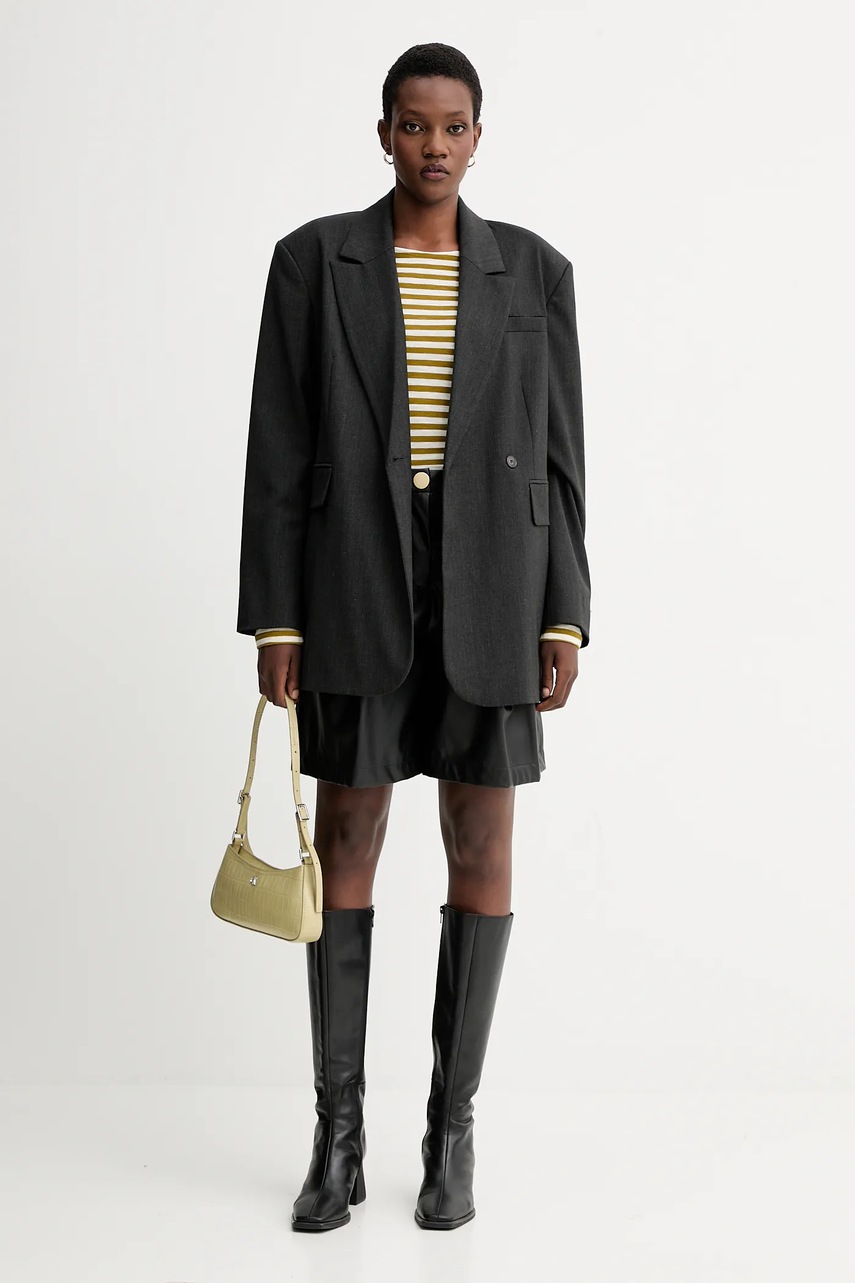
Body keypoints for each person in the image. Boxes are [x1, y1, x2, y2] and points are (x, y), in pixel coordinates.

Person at [236, 42, 591, 1232]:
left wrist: (565, 607)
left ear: (479, 137)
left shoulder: (533, 271)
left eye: (453, 126)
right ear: (382, 131)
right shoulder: (313, 260)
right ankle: (336, 1136)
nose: (433, 145)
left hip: (496, 578)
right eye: (412, 124)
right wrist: (277, 612)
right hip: (355, 573)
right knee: (349, 829)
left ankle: (452, 1131)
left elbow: (562, 458)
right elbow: (278, 446)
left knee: (481, 838)